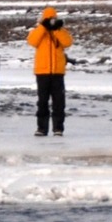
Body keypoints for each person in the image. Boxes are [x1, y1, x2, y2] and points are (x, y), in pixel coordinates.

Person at [26, 7, 73, 136]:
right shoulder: (39, 31)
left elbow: (68, 42)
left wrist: (57, 29)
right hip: (42, 71)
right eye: (49, 19)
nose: (51, 21)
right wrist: (43, 27)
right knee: (42, 101)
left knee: (59, 102)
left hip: (57, 71)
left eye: (53, 19)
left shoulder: (59, 30)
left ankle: (58, 128)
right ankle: (42, 128)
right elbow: (32, 41)